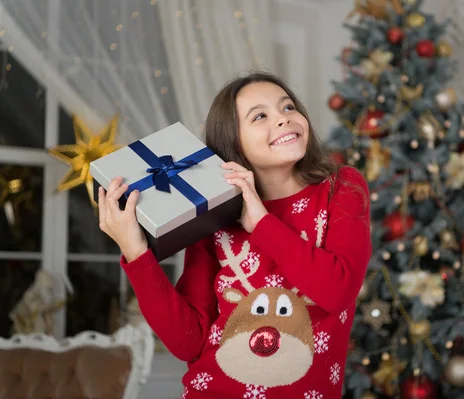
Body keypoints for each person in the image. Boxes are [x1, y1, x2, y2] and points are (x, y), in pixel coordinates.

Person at [98, 71, 372, 398]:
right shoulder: (213, 216)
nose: (283, 119)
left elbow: (338, 289)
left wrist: (261, 223)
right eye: (260, 116)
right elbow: (188, 342)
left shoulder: (341, 188)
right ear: (233, 142)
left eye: (287, 107)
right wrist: (136, 251)